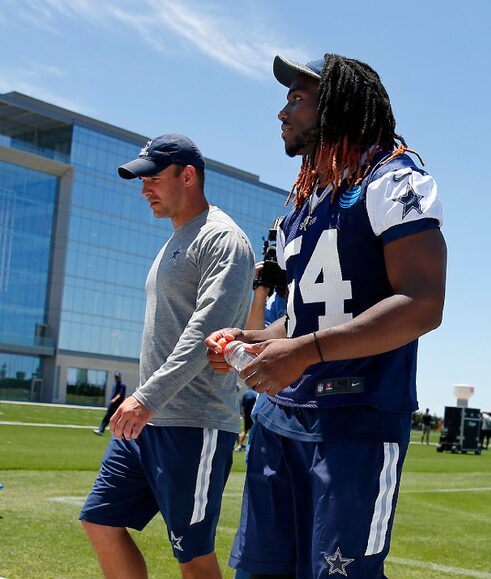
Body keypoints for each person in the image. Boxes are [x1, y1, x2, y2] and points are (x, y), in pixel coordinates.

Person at [205, 53, 446, 578]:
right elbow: (297, 319)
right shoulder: (302, 205)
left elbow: (424, 302)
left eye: (297, 98)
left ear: (337, 104)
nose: (281, 112)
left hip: (355, 421)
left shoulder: (392, 180)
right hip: (278, 421)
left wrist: (306, 353)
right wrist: (251, 338)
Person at [79, 134, 255, 578]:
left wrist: (146, 396)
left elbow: (206, 332)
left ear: (188, 176)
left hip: (193, 423)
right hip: (147, 420)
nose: (144, 190)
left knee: (192, 556)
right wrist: (144, 400)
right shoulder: (173, 242)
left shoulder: (223, 239)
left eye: (153, 179)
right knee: (99, 520)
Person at [93, 371, 127, 436]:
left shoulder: (122, 385)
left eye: (117, 377)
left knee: (117, 419)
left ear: (120, 377)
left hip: (117, 405)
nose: (116, 378)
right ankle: (101, 430)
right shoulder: (115, 385)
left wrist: (114, 400)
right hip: (112, 405)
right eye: (116, 377)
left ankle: (121, 433)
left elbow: (119, 394)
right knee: (107, 417)